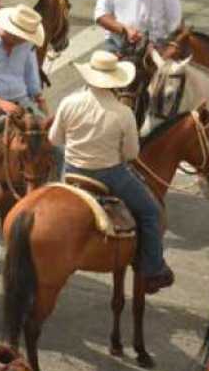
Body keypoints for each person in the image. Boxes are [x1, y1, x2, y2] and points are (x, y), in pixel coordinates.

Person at [48, 50, 174, 294]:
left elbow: (55, 139)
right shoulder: (123, 113)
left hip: (72, 171)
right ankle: (153, 268)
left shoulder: (68, 102)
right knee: (150, 212)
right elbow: (131, 154)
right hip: (109, 174)